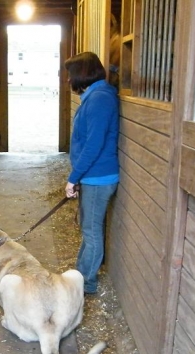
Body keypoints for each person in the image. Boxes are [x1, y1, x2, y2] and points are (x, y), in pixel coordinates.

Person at [63, 52, 120, 295]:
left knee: (92, 230)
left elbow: (93, 144)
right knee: (89, 227)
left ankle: (86, 282)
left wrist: (74, 177)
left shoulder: (99, 99)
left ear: (81, 74)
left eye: (70, 75)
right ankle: (81, 274)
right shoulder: (96, 95)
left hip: (98, 176)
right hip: (93, 175)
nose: (68, 80)